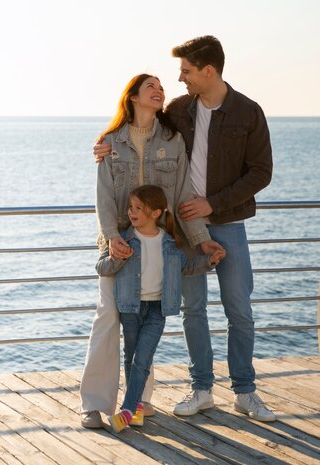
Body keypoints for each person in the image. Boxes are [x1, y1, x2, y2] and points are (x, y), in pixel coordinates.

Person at [93, 36, 275, 422]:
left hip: (227, 223)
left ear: (208, 71)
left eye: (186, 71)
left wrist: (214, 203)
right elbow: (141, 133)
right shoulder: (178, 111)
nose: (180, 79)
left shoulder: (248, 112)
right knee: (193, 310)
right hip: (180, 228)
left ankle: (245, 392)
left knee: (239, 310)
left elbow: (262, 172)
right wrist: (103, 146)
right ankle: (202, 388)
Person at [80, 73, 223, 429]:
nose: (160, 91)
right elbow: (103, 197)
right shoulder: (111, 142)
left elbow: (182, 195)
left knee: (143, 318)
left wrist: (200, 238)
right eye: (151, 87)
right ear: (132, 97)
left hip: (156, 246)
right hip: (119, 248)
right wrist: (112, 236)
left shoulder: (173, 141)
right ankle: (95, 403)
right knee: (109, 317)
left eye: (162, 87)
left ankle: (140, 400)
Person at [97, 185, 225, 432]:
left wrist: (208, 262)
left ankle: (126, 409)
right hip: (130, 308)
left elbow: (185, 268)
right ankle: (135, 411)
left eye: (138, 208)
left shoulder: (170, 242)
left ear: (156, 213)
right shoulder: (123, 238)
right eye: (130, 207)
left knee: (142, 359)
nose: (131, 212)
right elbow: (101, 268)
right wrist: (116, 258)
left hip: (158, 309)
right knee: (131, 357)